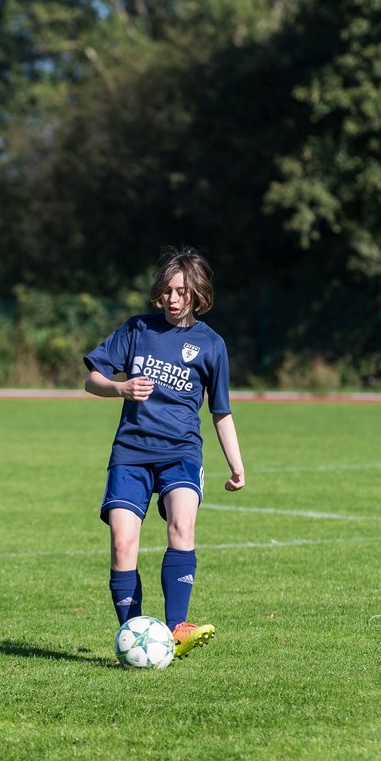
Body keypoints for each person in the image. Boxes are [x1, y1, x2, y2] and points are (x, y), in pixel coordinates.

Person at [83, 247, 245, 660]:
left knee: (182, 526)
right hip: (131, 453)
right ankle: (133, 637)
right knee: (123, 544)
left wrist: (236, 464)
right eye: (168, 291)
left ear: (199, 294)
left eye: (183, 292)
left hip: (182, 454)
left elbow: (221, 411)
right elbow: (92, 378)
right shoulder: (137, 329)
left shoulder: (211, 344)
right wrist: (119, 388)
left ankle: (177, 630)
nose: (173, 299)